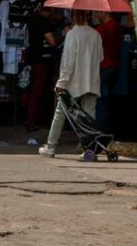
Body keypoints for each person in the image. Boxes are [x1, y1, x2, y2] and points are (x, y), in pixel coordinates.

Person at [39, 10, 102, 158]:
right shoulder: (96, 34)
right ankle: (89, 150)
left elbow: (68, 62)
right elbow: (101, 57)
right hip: (91, 81)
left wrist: (61, 82)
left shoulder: (72, 34)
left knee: (60, 113)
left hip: (74, 83)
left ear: (72, 17)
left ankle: (51, 147)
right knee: (89, 117)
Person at [25, 5, 60, 132]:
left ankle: (33, 120)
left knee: (36, 90)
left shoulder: (33, 19)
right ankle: (32, 121)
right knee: (37, 91)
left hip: (36, 59)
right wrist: (63, 34)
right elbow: (52, 42)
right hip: (41, 60)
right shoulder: (42, 21)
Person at [94, 11, 124, 133]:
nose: (97, 16)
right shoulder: (119, 28)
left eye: (98, 13)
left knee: (102, 99)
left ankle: (101, 129)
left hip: (104, 66)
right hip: (115, 66)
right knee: (110, 98)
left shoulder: (102, 29)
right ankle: (110, 127)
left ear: (103, 13)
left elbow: (97, 49)